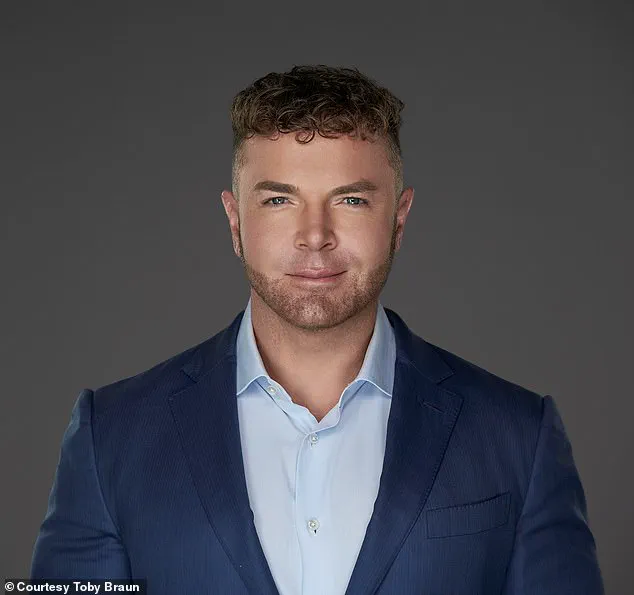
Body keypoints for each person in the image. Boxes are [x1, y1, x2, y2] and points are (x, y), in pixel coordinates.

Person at [31, 64, 604, 594]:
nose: (315, 236)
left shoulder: (518, 436)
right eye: (279, 200)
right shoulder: (111, 437)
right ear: (235, 221)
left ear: (398, 220)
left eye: (350, 200)